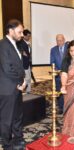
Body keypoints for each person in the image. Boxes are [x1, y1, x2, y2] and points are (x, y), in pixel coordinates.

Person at [0, 19, 26, 150]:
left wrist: (23, 81)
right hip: (7, 89)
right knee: (6, 119)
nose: (22, 34)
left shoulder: (16, 44)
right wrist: (19, 82)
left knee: (17, 116)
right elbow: (7, 68)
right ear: (10, 31)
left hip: (16, 87)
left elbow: (19, 66)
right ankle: (7, 144)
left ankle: (18, 139)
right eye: (19, 32)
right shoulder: (2, 45)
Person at [50, 34, 68, 114]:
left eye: (60, 40)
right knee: (59, 91)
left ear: (64, 40)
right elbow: (52, 62)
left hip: (68, 74)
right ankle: (61, 108)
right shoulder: (53, 50)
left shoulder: (69, 48)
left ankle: (68, 107)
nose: (59, 42)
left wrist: (65, 72)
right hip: (58, 75)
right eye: (57, 40)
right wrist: (59, 72)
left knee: (68, 91)